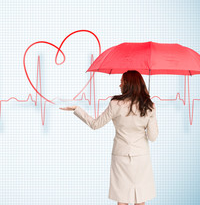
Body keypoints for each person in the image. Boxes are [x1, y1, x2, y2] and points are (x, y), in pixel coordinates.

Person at [59, 70, 159, 205]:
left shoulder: (116, 104)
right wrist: (147, 118)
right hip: (141, 156)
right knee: (140, 198)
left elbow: (95, 124)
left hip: (121, 155)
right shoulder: (149, 106)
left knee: (122, 197)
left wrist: (77, 109)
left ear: (128, 84)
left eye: (122, 82)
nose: (120, 85)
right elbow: (153, 137)